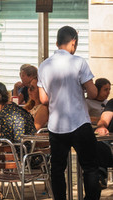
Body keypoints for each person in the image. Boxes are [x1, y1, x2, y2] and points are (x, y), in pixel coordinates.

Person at [38, 25, 103, 199]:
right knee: (90, 167)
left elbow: (43, 99)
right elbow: (94, 93)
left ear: (57, 42)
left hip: (56, 127)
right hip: (79, 122)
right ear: (73, 42)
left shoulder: (44, 66)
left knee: (57, 169)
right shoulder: (79, 62)